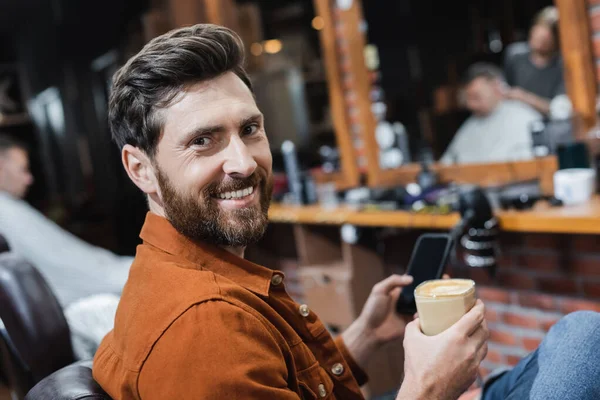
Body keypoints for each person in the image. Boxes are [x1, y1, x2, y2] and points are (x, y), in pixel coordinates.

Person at [93, 25, 600, 400]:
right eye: (203, 141)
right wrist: (426, 390)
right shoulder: (202, 330)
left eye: (250, 129)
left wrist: (363, 336)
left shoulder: (190, 276)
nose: (244, 162)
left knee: (578, 339)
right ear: (140, 169)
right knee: (586, 341)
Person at [0, 135, 133, 359]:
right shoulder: (6, 212)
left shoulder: (9, 208)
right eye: (22, 169)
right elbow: (65, 264)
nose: (29, 179)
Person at [440, 63, 542, 164]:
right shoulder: (470, 125)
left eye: (476, 97)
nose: (471, 105)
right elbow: (447, 162)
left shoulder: (524, 118)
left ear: (496, 87)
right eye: (468, 99)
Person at [504, 6, 564, 115]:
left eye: (545, 39)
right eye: (536, 35)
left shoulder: (561, 66)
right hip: (515, 117)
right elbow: (506, 90)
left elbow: (558, 109)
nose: (538, 41)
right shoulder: (515, 55)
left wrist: (524, 97)